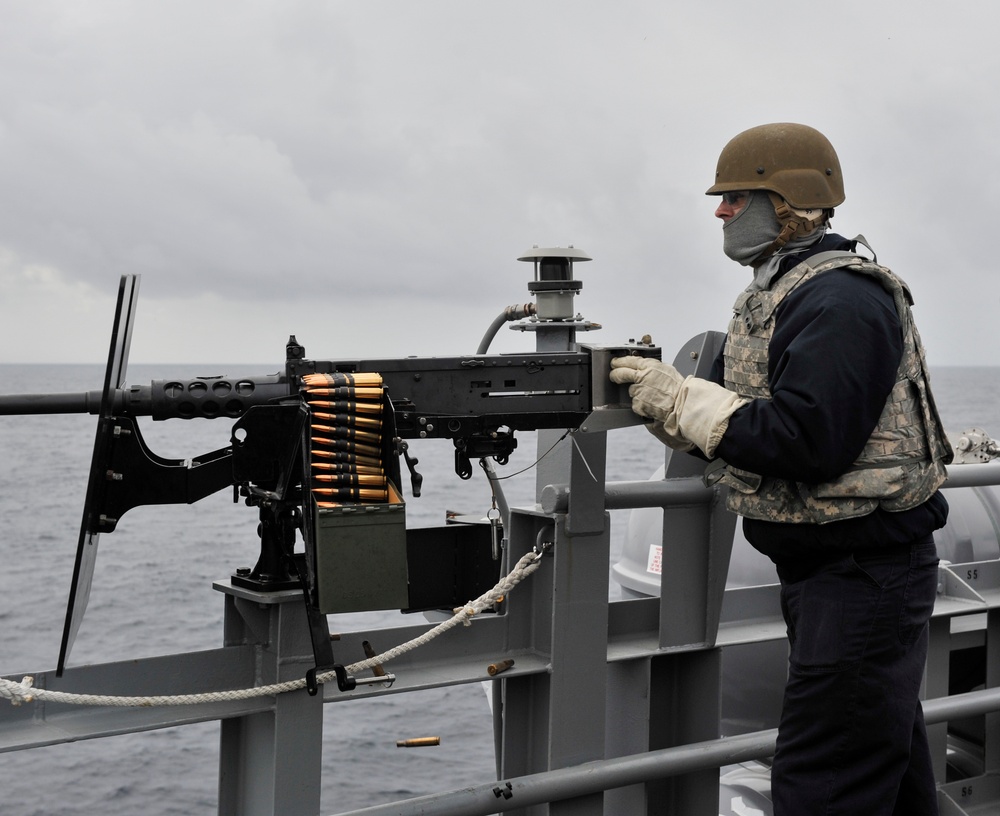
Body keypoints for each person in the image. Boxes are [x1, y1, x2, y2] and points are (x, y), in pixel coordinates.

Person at [610, 122, 952, 815]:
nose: (720, 213)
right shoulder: (792, 291)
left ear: (787, 201)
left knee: (825, 785)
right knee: (885, 772)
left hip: (861, 577)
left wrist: (683, 399)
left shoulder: (840, 300)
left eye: (735, 197)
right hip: (837, 574)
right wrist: (681, 411)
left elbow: (810, 440)